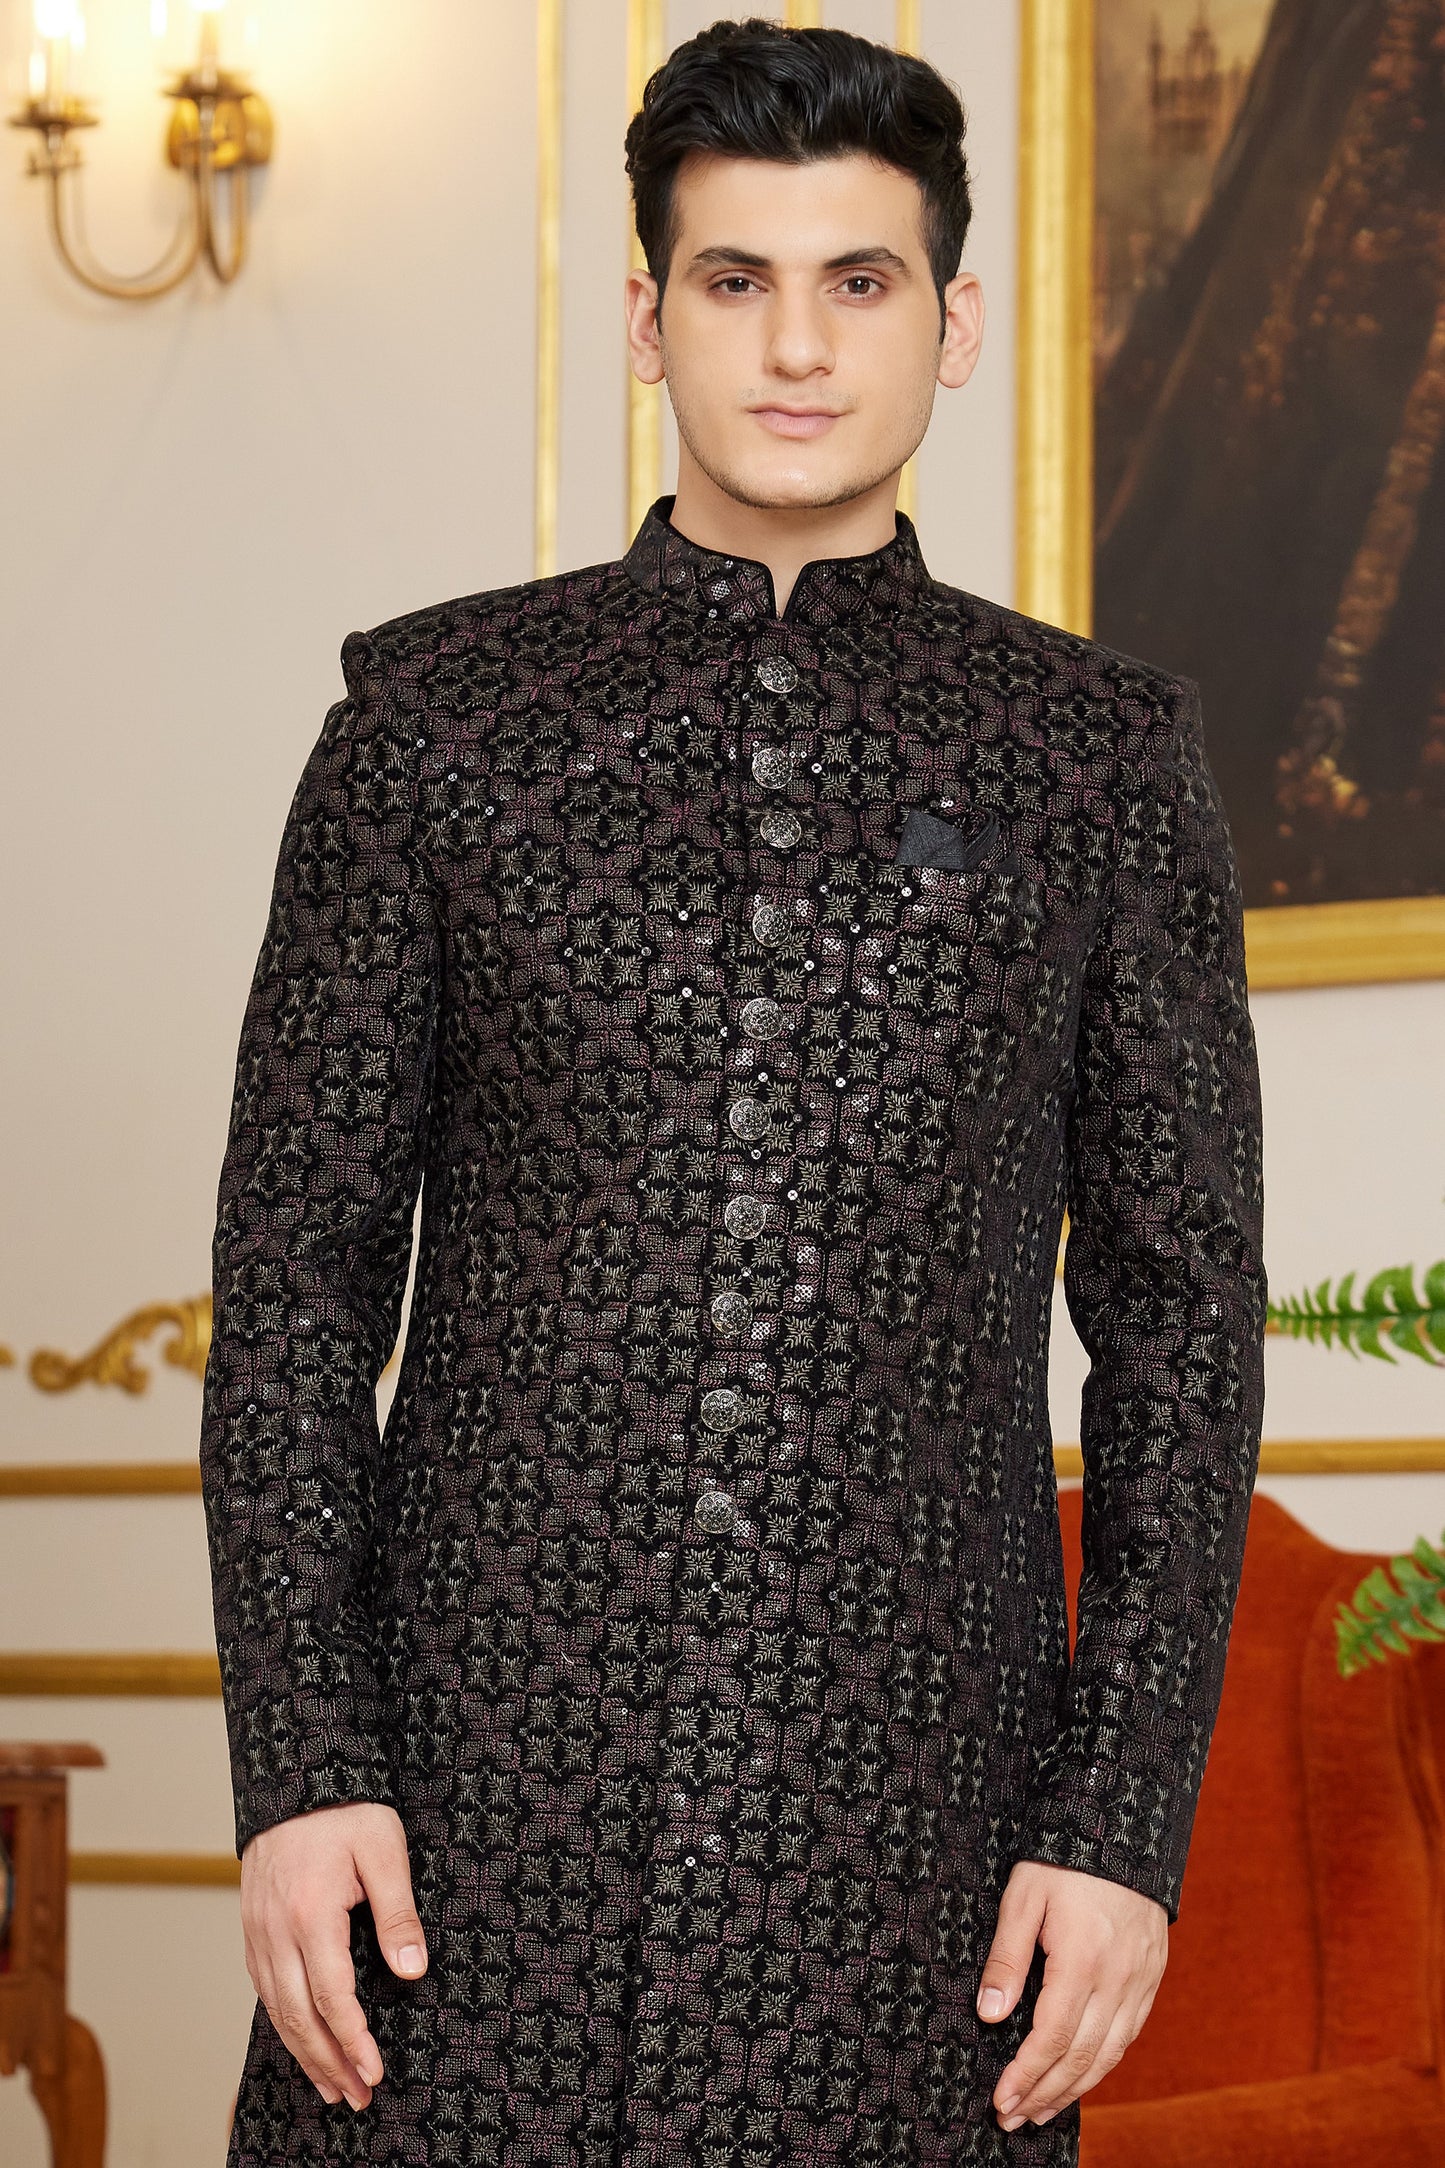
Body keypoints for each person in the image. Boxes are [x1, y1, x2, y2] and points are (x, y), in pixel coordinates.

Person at [200, 19, 1267, 2166]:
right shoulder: (432, 726)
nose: (795, 344)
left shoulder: (1097, 763)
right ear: (644, 318)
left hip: (917, 1846)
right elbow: (295, 1287)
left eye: (859, 280)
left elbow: (1182, 1328)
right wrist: (304, 1768)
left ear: (953, 323)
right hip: (458, 1833)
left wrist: (1117, 1825)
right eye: (733, 279)